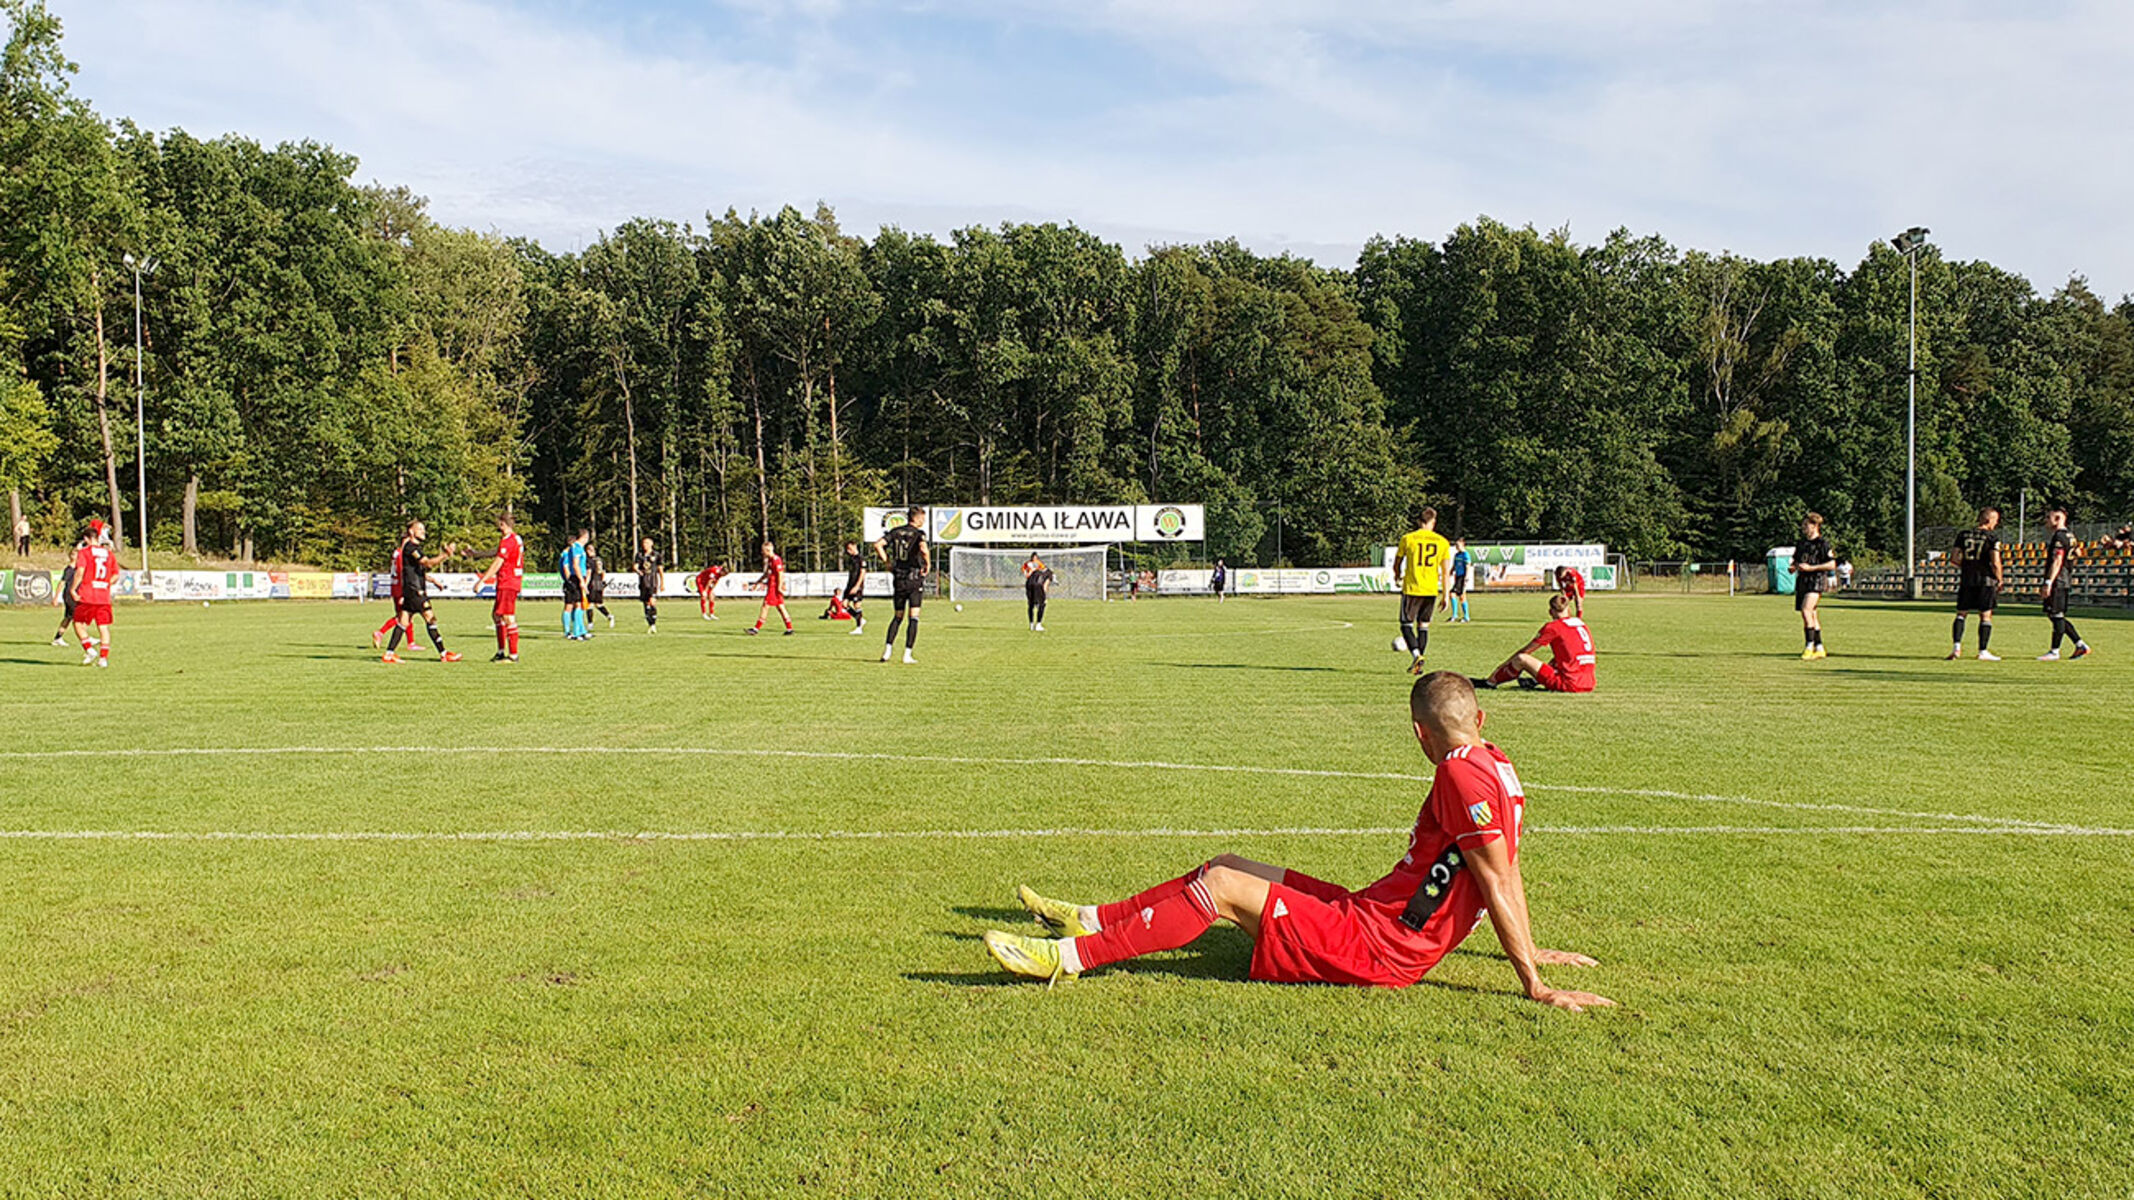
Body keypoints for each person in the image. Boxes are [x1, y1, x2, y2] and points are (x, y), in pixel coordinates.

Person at [985, 673, 1612, 1012]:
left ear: (1420, 734)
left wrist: (1532, 979)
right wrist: (1537, 948)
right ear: (1480, 719)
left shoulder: (1454, 773)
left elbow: (1497, 877)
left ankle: (1066, 960)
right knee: (1227, 863)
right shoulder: (1496, 763)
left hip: (1384, 946)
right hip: (1371, 916)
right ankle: (1088, 919)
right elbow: (1507, 869)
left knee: (1223, 889)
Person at [1473, 594, 1595, 693]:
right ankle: (1534, 681)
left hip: (1569, 683)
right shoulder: (1581, 623)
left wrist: (1502, 666)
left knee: (1521, 659)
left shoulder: (1553, 627)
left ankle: (1491, 682)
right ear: (1568, 609)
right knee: (1558, 658)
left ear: (1550, 611)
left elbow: (1526, 651)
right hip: (1588, 682)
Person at [383, 519, 461, 664]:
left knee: (403, 622)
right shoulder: (411, 548)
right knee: (430, 619)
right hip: (415, 591)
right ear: (411, 532)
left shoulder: (412, 547)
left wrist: (433, 581)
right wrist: (445, 554)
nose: (423, 531)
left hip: (411, 590)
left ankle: (389, 654)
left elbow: (416, 571)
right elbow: (428, 563)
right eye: (420, 529)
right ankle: (444, 654)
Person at [1392, 507, 1452, 675]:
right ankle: (1419, 662)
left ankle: (1417, 655)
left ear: (1419, 521)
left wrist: (1397, 575)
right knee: (1423, 626)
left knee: (1405, 625)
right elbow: (1446, 572)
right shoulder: (1442, 542)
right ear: (1433, 522)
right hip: (1431, 590)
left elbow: (1397, 563)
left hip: (1412, 589)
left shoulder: (1408, 539)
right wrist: (1445, 595)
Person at [2037, 505, 2092, 661]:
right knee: (2054, 614)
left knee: (2056, 614)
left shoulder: (2059, 537)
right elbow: (2078, 553)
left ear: (2058, 518)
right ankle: (2080, 644)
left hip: (2058, 580)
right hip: (2065, 578)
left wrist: (2048, 581)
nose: (2046, 521)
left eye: (2049, 517)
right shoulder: (2070, 536)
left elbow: (2058, 559)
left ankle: (2055, 651)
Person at [1949, 506, 2003, 661]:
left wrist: (1967, 566)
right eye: (1995, 520)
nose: (1996, 524)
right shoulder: (1992, 538)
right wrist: (1999, 579)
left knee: (1961, 613)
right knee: (1985, 615)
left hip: (1967, 579)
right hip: (1985, 580)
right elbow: (1995, 562)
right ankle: (1983, 651)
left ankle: (1956, 648)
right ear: (1988, 519)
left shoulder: (1963, 535)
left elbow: (1953, 558)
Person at [875, 506, 928, 663]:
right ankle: (907, 654)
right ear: (917, 519)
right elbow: (924, 550)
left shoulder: (896, 531)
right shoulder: (919, 534)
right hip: (914, 577)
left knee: (898, 616)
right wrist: (928, 564)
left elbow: (878, 545)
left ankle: (887, 651)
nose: (923, 522)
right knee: (914, 617)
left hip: (899, 577)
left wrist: (887, 563)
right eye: (922, 519)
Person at [474, 512, 525, 662]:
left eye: (499, 524)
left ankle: (513, 655)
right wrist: (477, 554)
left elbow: (498, 562)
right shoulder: (516, 538)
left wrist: (482, 580)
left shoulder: (507, 540)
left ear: (503, 523)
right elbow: (498, 553)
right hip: (510, 581)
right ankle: (501, 651)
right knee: (497, 615)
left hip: (507, 581)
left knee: (508, 617)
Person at [68, 520, 118, 667]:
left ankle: (89, 650)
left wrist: (73, 589)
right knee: (103, 627)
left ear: (86, 539)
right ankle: (103, 659)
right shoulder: (109, 554)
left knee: (78, 623)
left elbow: (80, 571)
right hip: (103, 597)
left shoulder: (84, 552)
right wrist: (105, 584)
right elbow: (115, 575)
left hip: (87, 595)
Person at [1792, 513, 1835, 660]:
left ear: (1815, 526)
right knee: (1812, 615)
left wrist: (1812, 568)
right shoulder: (1801, 544)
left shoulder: (1823, 544)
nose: (1804, 528)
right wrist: (1793, 567)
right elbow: (1796, 561)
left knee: (1806, 610)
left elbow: (1831, 564)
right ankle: (1820, 647)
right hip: (1802, 581)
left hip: (1816, 580)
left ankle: (1809, 646)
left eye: (1806, 525)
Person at [747, 539, 794, 636]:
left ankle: (756, 629)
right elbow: (766, 573)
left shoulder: (776, 560)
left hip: (774, 587)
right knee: (780, 607)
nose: (762, 552)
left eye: (763, 550)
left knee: (765, 605)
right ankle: (789, 629)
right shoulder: (770, 560)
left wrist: (779, 587)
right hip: (772, 586)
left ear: (768, 550)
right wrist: (757, 583)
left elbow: (780, 574)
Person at [557, 531, 590, 641]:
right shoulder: (574, 549)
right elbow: (572, 566)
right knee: (575, 605)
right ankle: (574, 632)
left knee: (578, 604)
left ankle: (580, 631)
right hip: (574, 579)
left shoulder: (577, 549)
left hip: (576, 578)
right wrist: (578, 580)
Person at [50, 536, 82, 647]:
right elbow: (62, 583)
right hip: (70, 595)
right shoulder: (69, 569)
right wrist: (55, 597)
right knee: (77, 617)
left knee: (68, 617)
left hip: (74, 595)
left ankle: (58, 638)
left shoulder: (78, 568)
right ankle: (85, 637)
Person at [834, 540, 867, 634]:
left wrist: (857, 586)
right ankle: (860, 619)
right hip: (850, 585)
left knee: (857, 605)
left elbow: (863, 573)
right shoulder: (851, 559)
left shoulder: (861, 559)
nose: (848, 551)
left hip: (857, 586)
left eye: (850, 548)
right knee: (844, 604)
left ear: (854, 546)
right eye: (847, 549)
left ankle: (859, 628)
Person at [635, 536, 662, 634]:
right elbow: (635, 566)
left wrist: (662, 583)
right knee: (646, 604)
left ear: (651, 544)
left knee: (652, 602)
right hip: (643, 582)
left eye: (646, 543)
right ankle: (650, 624)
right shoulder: (639, 555)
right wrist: (637, 570)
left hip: (652, 582)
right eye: (643, 543)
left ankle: (653, 624)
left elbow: (660, 570)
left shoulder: (656, 555)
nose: (644, 545)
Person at [585, 539, 614, 629]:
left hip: (592, 584)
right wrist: (602, 582)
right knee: (598, 604)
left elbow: (589, 573)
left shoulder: (589, 560)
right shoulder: (599, 559)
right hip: (599, 584)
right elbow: (603, 572)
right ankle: (609, 616)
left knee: (589, 604)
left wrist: (585, 585)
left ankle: (590, 623)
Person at [1025, 553, 1054, 632]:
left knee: (1031, 604)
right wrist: (1044, 595)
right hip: (1037, 583)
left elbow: (1026, 574)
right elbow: (1045, 584)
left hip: (1029, 583)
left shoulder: (1027, 564)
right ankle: (1038, 625)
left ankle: (1031, 625)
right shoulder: (1044, 568)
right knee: (1042, 604)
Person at [1449, 539, 1471, 623]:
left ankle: (1465, 616)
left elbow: (1468, 566)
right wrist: (1451, 571)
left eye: (1458, 545)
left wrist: (1466, 577)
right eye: (1456, 545)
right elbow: (1454, 565)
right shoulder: (1457, 555)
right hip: (1457, 577)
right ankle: (1455, 615)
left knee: (1460, 596)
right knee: (1453, 594)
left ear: (1463, 545)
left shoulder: (1466, 555)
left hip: (1462, 577)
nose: (1457, 547)